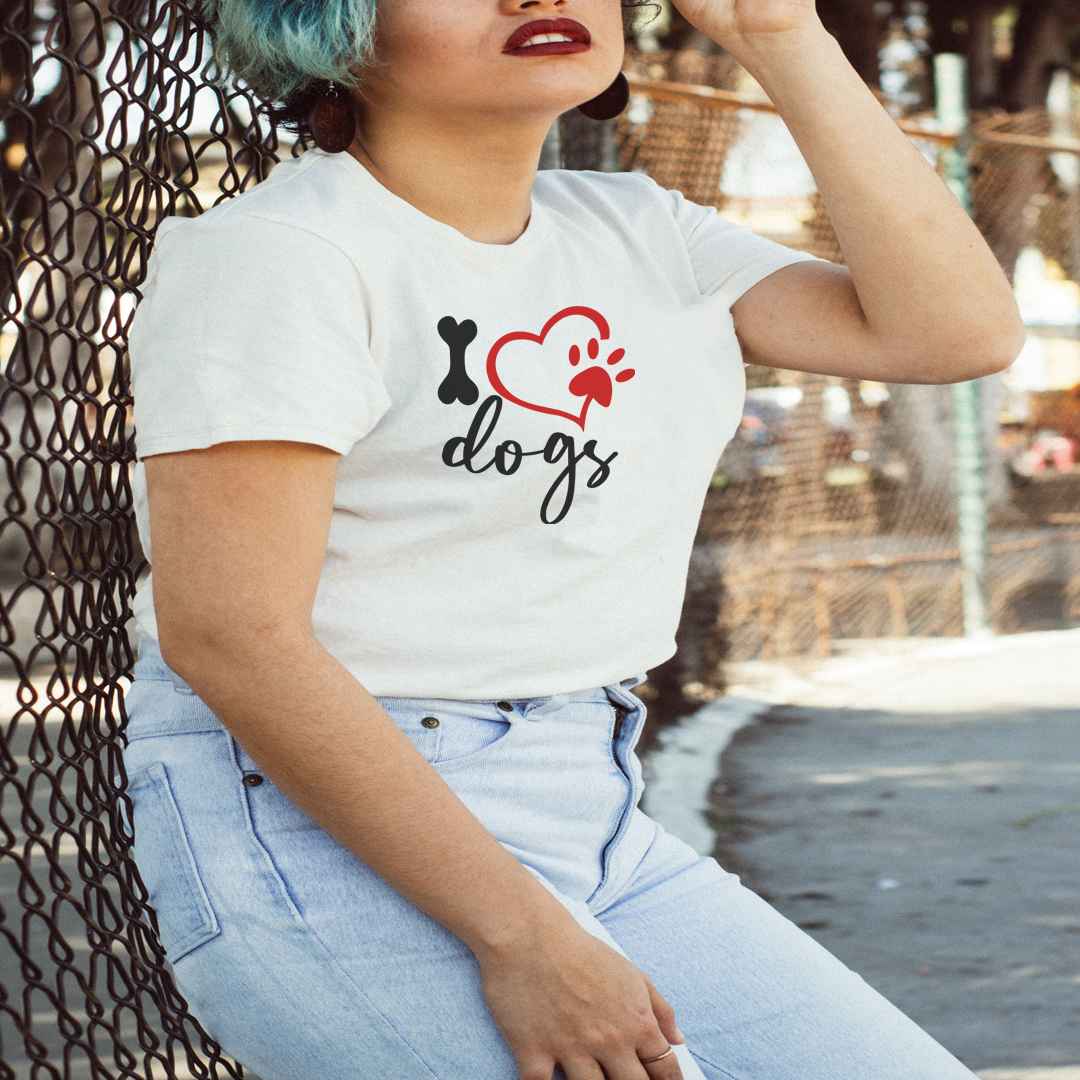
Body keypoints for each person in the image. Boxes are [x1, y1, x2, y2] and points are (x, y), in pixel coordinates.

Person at [120, 0, 1023, 1074]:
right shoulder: (280, 254)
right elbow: (232, 639)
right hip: (328, 818)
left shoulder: (637, 229)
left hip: (591, 801)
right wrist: (525, 938)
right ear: (336, 22)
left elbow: (958, 331)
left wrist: (782, 36)